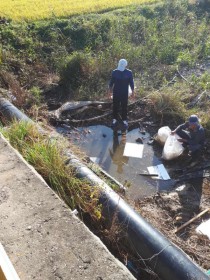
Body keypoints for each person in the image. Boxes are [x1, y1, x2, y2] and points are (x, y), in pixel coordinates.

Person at [108, 59, 135, 130]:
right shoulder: (115, 72)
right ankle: (114, 119)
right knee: (115, 106)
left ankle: (124, 120)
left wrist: (133, 92)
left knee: (124, 106)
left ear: (126, 65)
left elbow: (132, 83)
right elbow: (111, 83)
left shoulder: (129, 73)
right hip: (116, 92)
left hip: (124, 93)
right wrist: (109, 92)